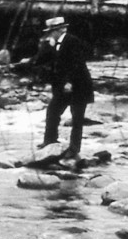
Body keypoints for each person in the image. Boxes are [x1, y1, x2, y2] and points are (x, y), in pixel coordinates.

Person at [32, 15, 94, 157]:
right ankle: (49, 141)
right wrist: (45, 47)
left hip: (79, 86)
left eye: (51, 31)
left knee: (77, 118)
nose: (49, 34)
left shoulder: (72, 41)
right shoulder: (53, 44)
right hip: (62, 87)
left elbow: (76, 64)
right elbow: (41, 60)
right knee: (52, 112)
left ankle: (74, 149)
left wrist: (69, 81)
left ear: (59, 30)